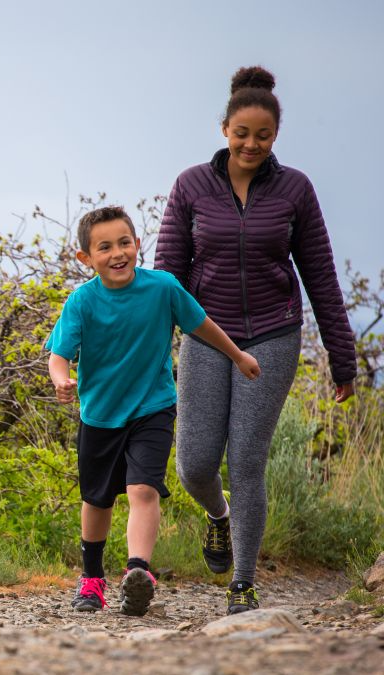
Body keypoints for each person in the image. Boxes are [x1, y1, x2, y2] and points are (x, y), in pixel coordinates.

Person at [155, 65, 358, 615]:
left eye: (262, 136)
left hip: (272, 334)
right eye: (242, 133)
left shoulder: (295, 189)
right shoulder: (191, 185)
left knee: (247, 460)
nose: (251, 144)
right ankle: (218, 519)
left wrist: (344, 359)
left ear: (275, 137)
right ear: (224, 129)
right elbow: (167, 277)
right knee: (194, 464)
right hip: (205, 334)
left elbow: (320, 274)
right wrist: (151, 348)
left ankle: (243, 582)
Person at [47, 205, 260, 616]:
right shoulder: (82, 302)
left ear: (138, 243)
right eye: (104, 247)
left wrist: (236, 355)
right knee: (97, 501)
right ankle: (91, 580)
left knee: (143, 489)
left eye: (124, 242)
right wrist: (61, 378)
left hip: (153, 408)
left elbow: (201, 324)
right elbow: (59, 354)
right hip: (100, 415)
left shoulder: (162, 287)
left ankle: (137, 573)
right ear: (86, 259)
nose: (117, 253)